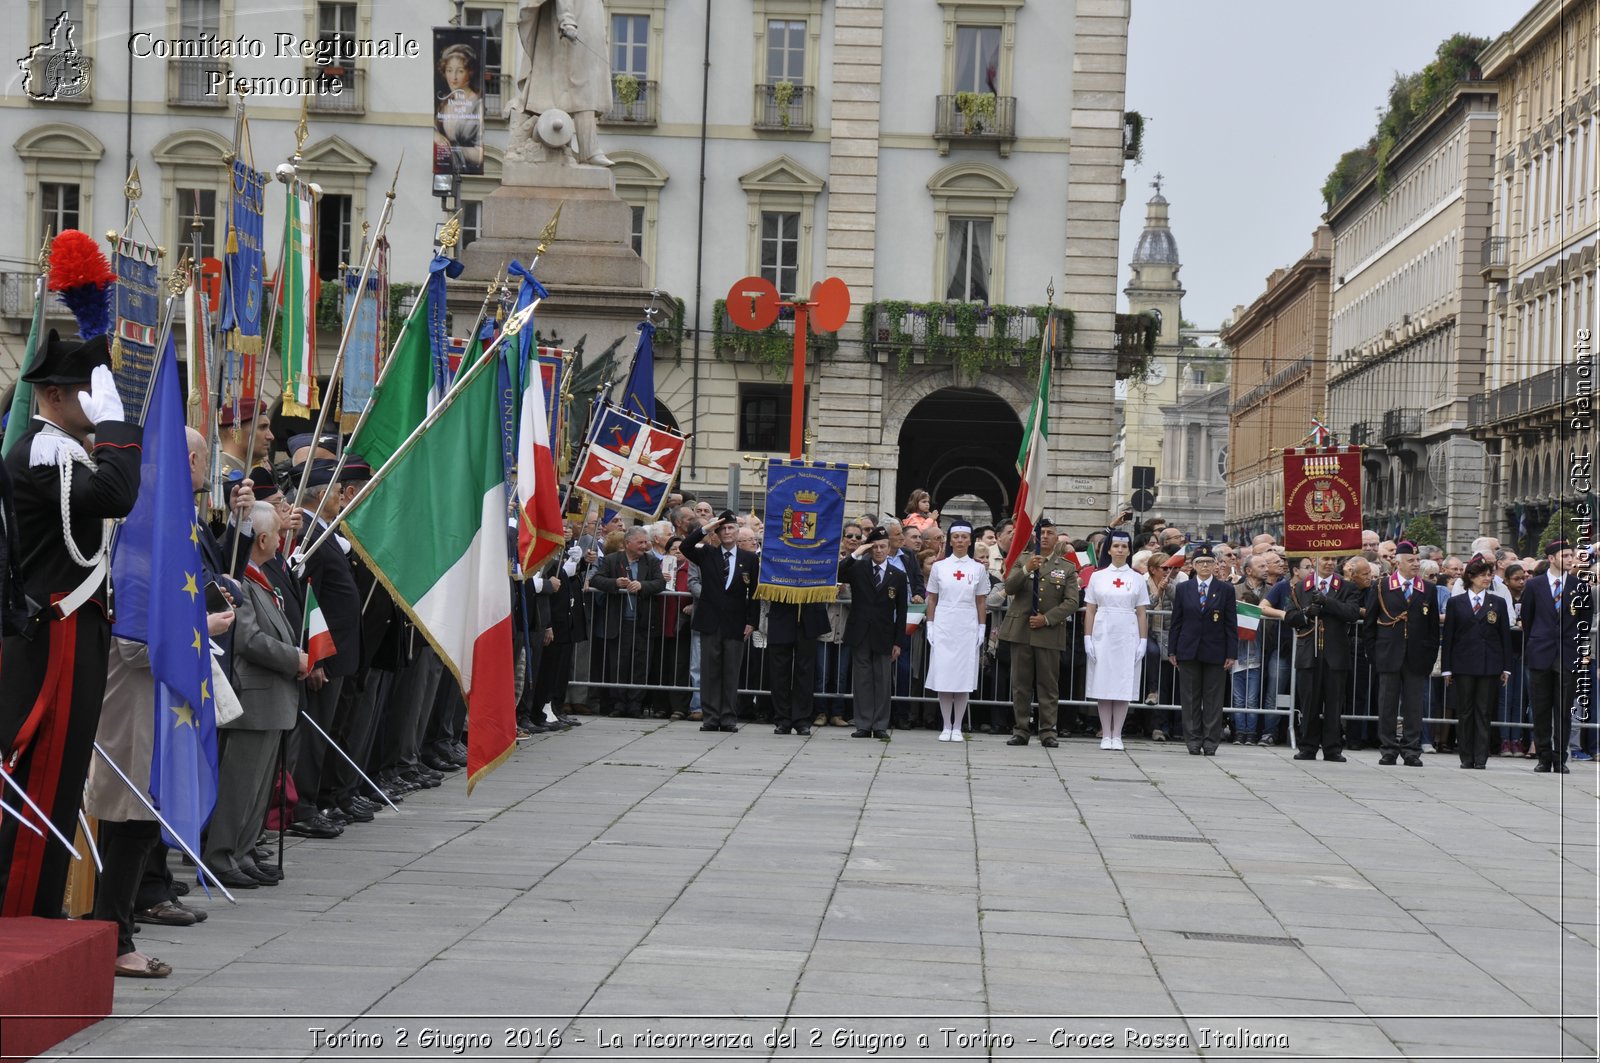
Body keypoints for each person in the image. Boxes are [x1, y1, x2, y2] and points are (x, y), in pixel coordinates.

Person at [0, 332, 143, 918]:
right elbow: (116, 493)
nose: (98, 400)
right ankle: (21, 909)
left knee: (60, 782)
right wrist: (116, 428)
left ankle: (37, 906)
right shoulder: (43, 451)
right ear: (54, 395)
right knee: (43, 773)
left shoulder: (63, 448)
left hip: (74, 626)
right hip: (51, 633)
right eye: (90, 389)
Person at [203, 503, 307, 888]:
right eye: (278, 535)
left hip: (273, 699)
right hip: (255, 696)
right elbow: (247, 639)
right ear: (262, 540)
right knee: (240, 785)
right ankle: (221, 855)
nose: (282, 542)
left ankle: (243, 851)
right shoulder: (244, 582)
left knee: (259, 788)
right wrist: (293, 658)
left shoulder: (262, 579)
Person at [999, 520, 1078, 748]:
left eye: (1049, 533)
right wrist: (1026, 570)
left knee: (1048, 685)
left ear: (1056, 538)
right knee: (1021, 684)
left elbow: (1072, 601)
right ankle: (1021, 729)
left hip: (1048, 632)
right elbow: (1010, 587)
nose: (1044, 537)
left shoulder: (1066, 567)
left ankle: (1047, 731)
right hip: (1021, 631)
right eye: (1041, 533)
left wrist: (1047, 618)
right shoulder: (1022, 560)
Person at [511, 0, 614, 166]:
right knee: (577, 84)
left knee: (582, 85)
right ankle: (585, 149)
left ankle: (576, 148)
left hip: (588, 18)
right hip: (572, 20)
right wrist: (567, 19)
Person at [681, 512, 758, 733]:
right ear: (717, 532)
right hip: (710, 621)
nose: (726, 532)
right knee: (710, 671)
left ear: (737, 532)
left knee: (731, 672)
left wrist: (752, 622)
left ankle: (728, 717)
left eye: (731, 528)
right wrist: (705, 528)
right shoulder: (707, 554)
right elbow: (686, 546)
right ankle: (711, 717)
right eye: (722, 529)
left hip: (735, 622)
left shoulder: (749, 559)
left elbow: (754, 594)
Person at [1365, 541, 1439, 767]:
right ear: (1398, 562)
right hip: (1389, 654)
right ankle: (1388, 749)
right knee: (1387, 704)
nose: (1416, 564)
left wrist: (1429, 657)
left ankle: (1411, 749)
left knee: (1413, 706)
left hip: (1416, 656)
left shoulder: (1427, 588)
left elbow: (1433, 628)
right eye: (1411, 561)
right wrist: (1374, 655)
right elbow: (1370, 624)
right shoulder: (1382, 586)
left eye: (1417, 560)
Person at [1283, 555, 1361, 762]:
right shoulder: (1301, 587)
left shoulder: (1346, 587)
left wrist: (1328, 602)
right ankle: (1307, 746)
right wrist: (1307, 614)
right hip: (1309, 652)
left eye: (1332, 559)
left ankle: (1332, 748)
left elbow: (1352, 613)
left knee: (1334, 704)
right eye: (1325, 558)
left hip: (1335, 653)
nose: (1329, 562)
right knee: (1309, 703)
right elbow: (1289, 616)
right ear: (1316, 560)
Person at [1522, 540, 1588, 774]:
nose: (1571, 559)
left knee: (1563, 711)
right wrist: (1535, 643)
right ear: (1551, 558)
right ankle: (1543, 756)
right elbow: (1528, 619)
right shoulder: (1534, 586)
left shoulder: (1580, 586)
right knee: (1540, 709)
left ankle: (1560, 758)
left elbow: (1584, 623)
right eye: (1565, 555)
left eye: (1572, 555)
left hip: (1566, 654)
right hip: (1540, 653)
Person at [1441, 557, 1512, 770]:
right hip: (1463, 665)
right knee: (1465, 711)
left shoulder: (1497, 602)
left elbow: (1504, 637)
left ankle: (1481, 757)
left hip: (1489, 664)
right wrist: (1447, 668)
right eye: (1482, 575)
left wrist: (1506, 666)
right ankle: (1466, 756)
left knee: (1483, 711)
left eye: (1489, 575)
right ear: (1471, 577)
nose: (1487, 579)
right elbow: (1450, 637)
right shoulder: (1456, 602)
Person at [1082, 529, 1149, 750]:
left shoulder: (1137, 578)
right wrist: (1088, 638)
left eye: (1124, 546)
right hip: (1103, 631)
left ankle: (1117, 734)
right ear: (1109, 549)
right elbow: (1090, 610)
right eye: (1116, 546)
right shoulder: (1097, 576)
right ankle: (1105, 734)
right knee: (1104, 683)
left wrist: (1143, 641)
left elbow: (1141, 612)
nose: (1120, 550)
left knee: (1122, 684)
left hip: (1127, 633)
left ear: (1129, 550)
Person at [588, 526, 665, 720]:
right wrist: (615, 583)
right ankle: (619, 703)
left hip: (643, 623)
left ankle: (635, 705)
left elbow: (660, 583)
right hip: (619, 622)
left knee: (641, 665)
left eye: (646, 542)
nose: (644, 546)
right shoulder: (612, 560)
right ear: (627, 543)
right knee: (618, 664)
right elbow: (596, 579)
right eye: (640, 542)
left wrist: (643, 586)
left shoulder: (652, 561)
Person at [1167, 545, 1237, 756]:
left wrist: (1231, 653)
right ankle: (1193, 740)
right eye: (1200, 562)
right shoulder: (1184, 588)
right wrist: (1172, 650)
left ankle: (1210, 741)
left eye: (1209, 562)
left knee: (1214, 699)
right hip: (1188, 649)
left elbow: (1230, 623)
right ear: (1193, 565)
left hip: (1216, 650)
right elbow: (1176, 621)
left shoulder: (1225, 589)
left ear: (1216, 565)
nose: (1205, 565)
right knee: (1189, 698)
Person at [924, 520, 989, 742]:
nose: (960, 541)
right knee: (944, 675)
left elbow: (981, 601)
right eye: (956, 537)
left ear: (970, 540)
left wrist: (982, 626)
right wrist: (930, 625)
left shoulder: (978, 568)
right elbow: (932, 598)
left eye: (964, 537)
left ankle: (958, 726)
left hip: (966, 624)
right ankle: (945, 724)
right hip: (944, 622)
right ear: (950, 540)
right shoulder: (939, 567)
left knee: (962, 677)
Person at [839, 527, 907, 740]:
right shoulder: (859, 567)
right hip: (861, 631)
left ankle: (880, 725)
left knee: (883, 680)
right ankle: (863, 723)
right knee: (862, 680)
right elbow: (839, 571)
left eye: (882, 546)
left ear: (889, 548)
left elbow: (902, 611)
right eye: (875, 546)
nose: (878, 551)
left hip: (884, 634)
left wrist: (898, 641)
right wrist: (858, 551)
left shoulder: (898, 575)